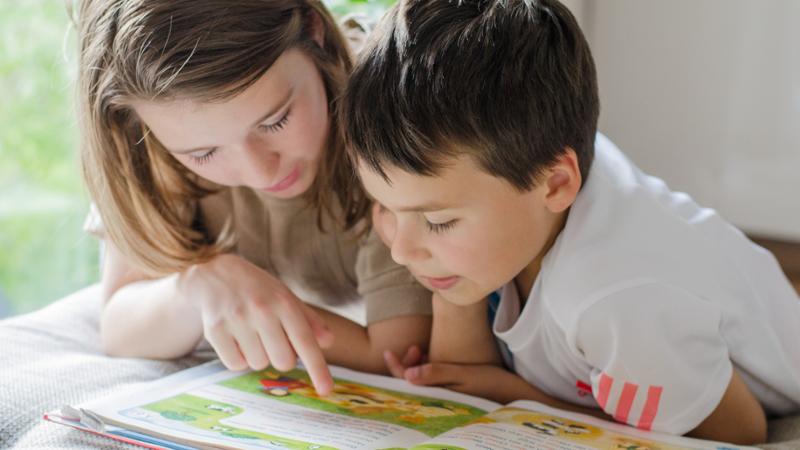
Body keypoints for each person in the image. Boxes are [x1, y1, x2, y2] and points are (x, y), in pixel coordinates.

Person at [340, 0, 800, 443]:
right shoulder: (521, 187)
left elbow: (737, 431)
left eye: (438, 220)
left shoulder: (615, 298)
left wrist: (521, 397)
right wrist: (452, 296)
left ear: (556, 184)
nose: (400, 251)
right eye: (385, 207)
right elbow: (463, 375)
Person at [74, 0, 432, 395]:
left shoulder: (390, 118)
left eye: (276, 121)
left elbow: (396, 352)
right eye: (203, 154)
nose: (261, 172)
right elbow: (119, 327)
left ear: (314, 31)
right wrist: (198, 287)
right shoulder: (147, 149)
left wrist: (261, 308)